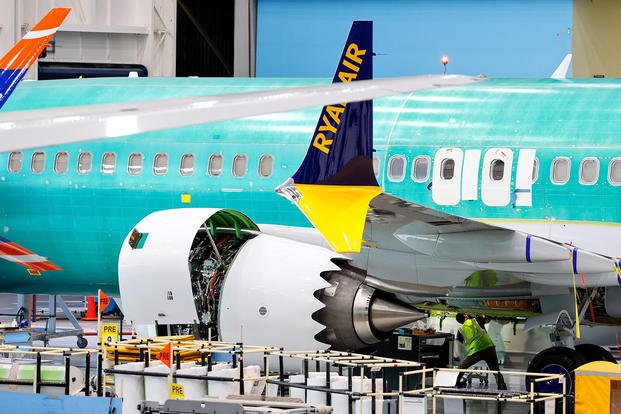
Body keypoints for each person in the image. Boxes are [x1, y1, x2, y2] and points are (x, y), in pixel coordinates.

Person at [455, 313, 507, 390]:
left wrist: (461, 355)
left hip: (476, 351)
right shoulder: (476, 320)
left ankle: (455, 384)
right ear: (465, 316)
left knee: (461, 368)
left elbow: (459, 343)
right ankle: (502, 388)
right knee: (496, 371)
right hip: (489, 348)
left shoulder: (460, 330)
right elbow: (487, 319)